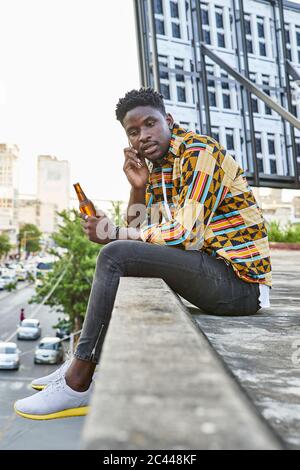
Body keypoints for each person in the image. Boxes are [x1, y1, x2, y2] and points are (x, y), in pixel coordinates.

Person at [14, 88, 272, 420]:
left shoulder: (198, 152)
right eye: (133, 131)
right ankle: (77, 366)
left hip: (241, 285)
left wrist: (112, 234)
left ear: (168, 120)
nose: (143, 135)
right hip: (214, 274)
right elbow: (143, 230)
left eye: (150, 124)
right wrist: (137, 186)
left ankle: (78, 382)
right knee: (121, 252)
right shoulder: (160, 168)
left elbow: (184, 235)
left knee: (114, 254)